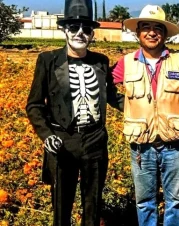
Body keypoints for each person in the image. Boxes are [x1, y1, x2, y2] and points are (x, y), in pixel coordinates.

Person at [26, 0, 124, 225]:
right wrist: (47, 134)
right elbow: (34, 104)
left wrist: (142, 107)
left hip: (95, 140)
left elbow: (111, 96)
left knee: (93, 203)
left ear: (92, 34)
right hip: (62, 140)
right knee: (61, 203)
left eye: (86, 29)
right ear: (64, 29)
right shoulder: (48, 60)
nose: (80, 33)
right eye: (73, 28)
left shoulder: (101, 61)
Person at [111, 4, 179, 226]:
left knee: (175, 201)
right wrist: (127, 105)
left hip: (174, 146)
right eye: (146, 27)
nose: (152, 32)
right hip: (141, 147)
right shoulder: (125, 63)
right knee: (145, 202)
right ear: (138, 32)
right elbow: (103, 87)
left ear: (165, 33)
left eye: (158, 28)